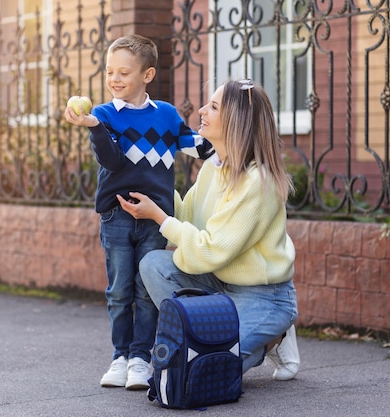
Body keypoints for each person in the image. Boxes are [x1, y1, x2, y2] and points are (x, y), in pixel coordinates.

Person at [116, 79, 301, 380]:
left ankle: (274, 336)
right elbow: (188, 216)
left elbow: (210, 248)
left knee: (204, 374)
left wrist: (161, 218)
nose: (201, 110)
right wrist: (152, 181)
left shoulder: (256, 182)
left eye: (213, 107)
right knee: (154, 265)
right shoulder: (214, 167)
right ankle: (201, 335)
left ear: (236, 121)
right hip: (219, 279)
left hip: (263, 295)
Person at [64, 34, 213, 390]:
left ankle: (140, 358)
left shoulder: (165, 114)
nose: (115, 79)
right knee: (119, 290)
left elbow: (196, 145)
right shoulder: (102, 114)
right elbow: (112, 162)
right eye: (110, 71)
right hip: (115, 217)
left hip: (153, 217)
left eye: (124, 73)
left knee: (146, 290)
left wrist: (233, 144)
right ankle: (119, 356)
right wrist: (95, 128)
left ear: (146, 75)